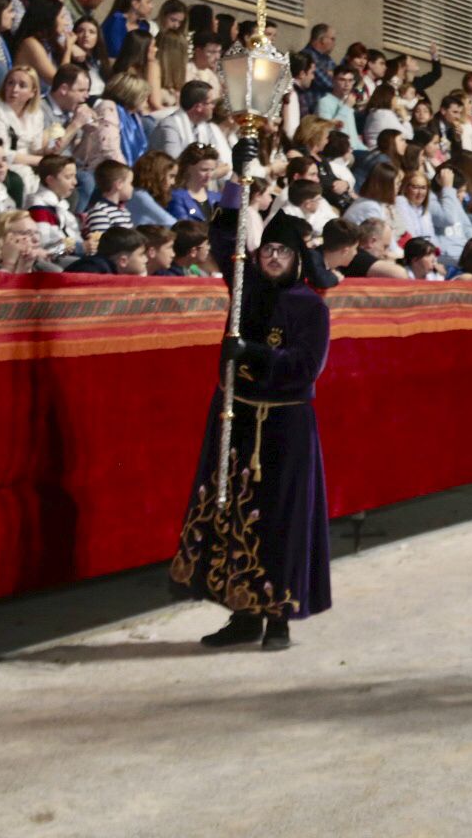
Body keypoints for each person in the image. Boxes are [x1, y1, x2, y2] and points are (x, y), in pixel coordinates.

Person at [169, 162, 332, 651]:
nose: (273, 257)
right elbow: (224, 242)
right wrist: (236, 187)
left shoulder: (311, 306)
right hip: (237, 416)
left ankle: (277, 618)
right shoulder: (248, 289)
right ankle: (241, 614)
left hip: (285, 426)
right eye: (268, 250)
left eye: (283, 251)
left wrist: (255, 354)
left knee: (279, 519)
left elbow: (306, 366)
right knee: (234, 515)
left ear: (299, 257)